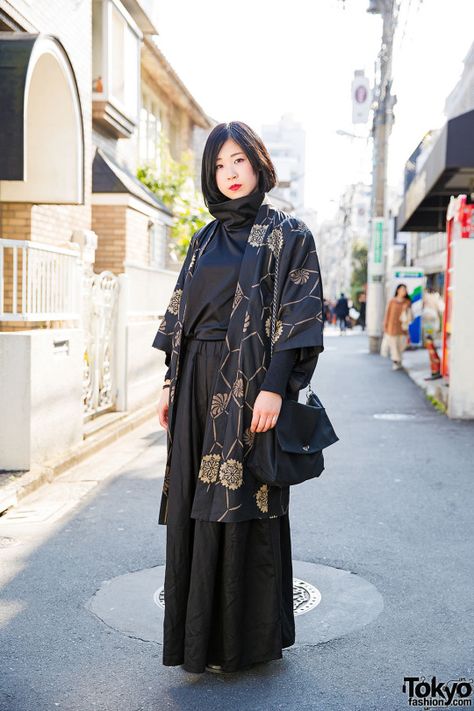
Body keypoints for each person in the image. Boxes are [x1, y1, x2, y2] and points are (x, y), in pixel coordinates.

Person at [152, 121, 324, 675]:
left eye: (239, 162)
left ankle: (244, 643)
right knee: (193, 506)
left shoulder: (288, 233)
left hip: (250, 385)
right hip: (196, 385)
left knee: (246, 499)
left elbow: (299, 316)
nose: (229, 173)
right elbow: (182, 314)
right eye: (220, 164)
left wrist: (275, 386)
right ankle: (198, 643)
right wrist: (170, 382)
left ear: (259, 165)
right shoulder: (202, 240)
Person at [382, 283, 413, 370]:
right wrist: (385, 324)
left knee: (401, 345)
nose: (404, 291)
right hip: (392, 327)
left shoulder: (407, 302)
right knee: (394, 345)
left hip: (403, 328)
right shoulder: (392, 301)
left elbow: (410, 315)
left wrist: (406, 308)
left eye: (405, 290)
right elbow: (387, 313)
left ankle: (399, 360)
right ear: (398, 290)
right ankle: (396, 361)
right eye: (402, 289)